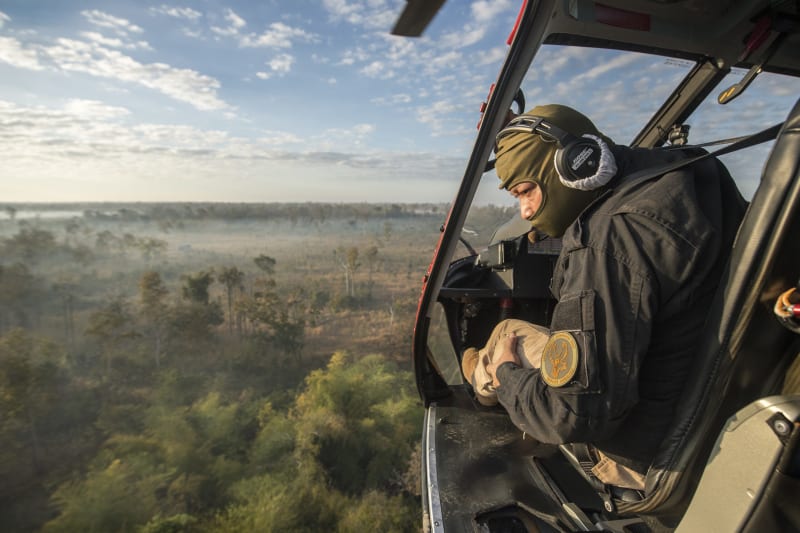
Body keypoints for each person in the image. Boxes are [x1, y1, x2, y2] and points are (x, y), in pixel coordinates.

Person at [478, 104, 747, 489]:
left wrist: (509, 376)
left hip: (646, 457)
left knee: (506, 336)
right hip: (714, 414)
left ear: (576, 164)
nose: (526, 210)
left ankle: (482, 384)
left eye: (526, 191)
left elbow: (572, 413)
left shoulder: (608, 240)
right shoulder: (689, 173)